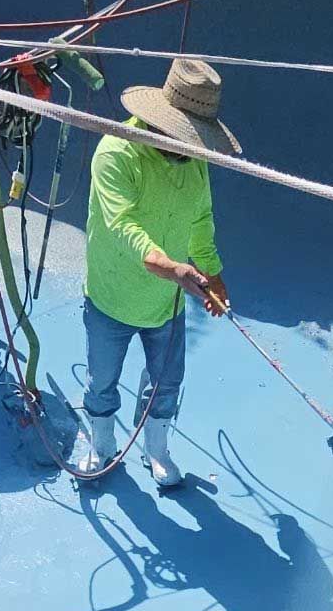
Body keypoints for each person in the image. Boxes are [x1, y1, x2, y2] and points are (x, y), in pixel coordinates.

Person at [74, 59, 235, 490]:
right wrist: (172, 267)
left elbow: (201, 219)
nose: (189, 148)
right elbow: (124, 228)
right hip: (112, 296)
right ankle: (102, 444)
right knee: (102, 379)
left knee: (167, 382)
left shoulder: (193, 164)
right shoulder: (115, 153)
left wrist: (213, 274)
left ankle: (156, 450)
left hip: (167, 303)